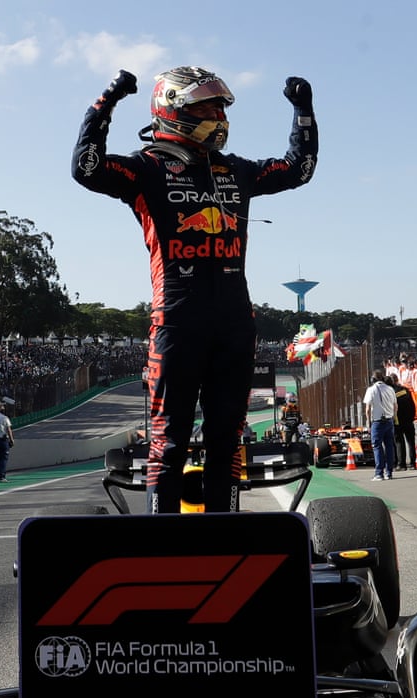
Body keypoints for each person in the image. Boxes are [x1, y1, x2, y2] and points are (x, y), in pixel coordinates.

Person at [72, 66, 317, 513]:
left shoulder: (236, 169)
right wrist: (105, 103)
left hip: (235, 324)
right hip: (177, 322)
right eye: (207, 106)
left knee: (229, 435)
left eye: (221, 107)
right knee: (169, 440)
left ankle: (224, 528)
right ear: (173, 109)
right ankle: (160, 545)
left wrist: (303, 113)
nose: (218, 116)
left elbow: (298, 170)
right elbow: (85, 169)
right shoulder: (145, 167)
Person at [363, 369, 397, 481]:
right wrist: (393, 417)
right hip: (389, 420)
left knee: (377, 446)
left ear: (373, 379)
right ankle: (389, 472)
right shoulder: (390, 389)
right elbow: (395, 406)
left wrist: (368, 423)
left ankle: (379, 473)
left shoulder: (371, 390)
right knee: (389, 447)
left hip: (377, 421)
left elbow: (367, 408)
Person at [389, 372, 417, 472]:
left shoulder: (391, 393)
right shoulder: (405, 390)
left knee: (399, 442)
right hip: (409, 420)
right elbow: (413, 405)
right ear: (397, 380)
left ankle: (402, 464)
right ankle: (413, 463)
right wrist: (412, 417)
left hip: (398, 421)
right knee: (411, 442)